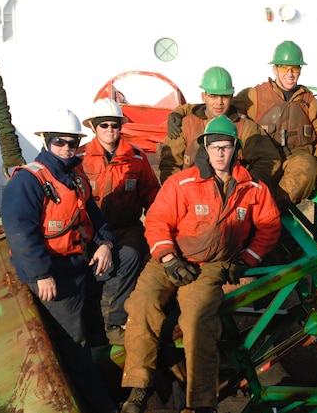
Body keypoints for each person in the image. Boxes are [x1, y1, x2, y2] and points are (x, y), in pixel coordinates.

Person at [120, 115, 281, 413]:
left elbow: (269, 226)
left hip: (210, 267)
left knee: (199, 324)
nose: (220, 153)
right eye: (214, 146)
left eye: (226, 146)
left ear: (236, 149)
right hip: (169, 261)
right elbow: (156, 221)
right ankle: (138, 389)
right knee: (142, 305)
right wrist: (168, 259)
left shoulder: (253, 188)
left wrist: (247, 260)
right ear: (205, 148)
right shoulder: (182, 183)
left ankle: (202, 404)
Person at [1, 108, 140, 413]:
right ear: (46, 141)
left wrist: (105, 243)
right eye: (59, 142)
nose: (66, 148)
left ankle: (109, 322)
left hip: (81, 265)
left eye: (71, 142)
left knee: (128, 258)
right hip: (55, 278)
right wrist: (41, 275)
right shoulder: (28, 182)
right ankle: (98, 406)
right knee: (74, 347)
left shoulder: (74, 177)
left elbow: (95, 215)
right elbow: (20, 232)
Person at [75, 98, 160, 344]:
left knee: (131, 256)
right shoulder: (79, 160)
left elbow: (152, 197)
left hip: (127, 228)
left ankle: (113, 319)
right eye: (104, 125)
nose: (110, 130)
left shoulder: (137, 158)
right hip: (92, 231)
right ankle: (94, 323)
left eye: (114, 125)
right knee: (95, 269)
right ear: (93, 127)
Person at [232, 41, 317, 210]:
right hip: (263, 161)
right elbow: (220, 107)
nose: (290, 74)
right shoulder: (254, 95)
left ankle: (269, 212)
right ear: (274, 69)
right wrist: (184, 112)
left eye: (295, 69)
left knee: (309, 167)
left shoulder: (312, 104)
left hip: (296, 162)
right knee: (244, 187)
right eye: (284, 68)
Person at [159, 66, 282, 188]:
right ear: (203, 96)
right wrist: (178, 193)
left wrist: (244, 187)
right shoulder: (186, 124)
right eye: (213, 96)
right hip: (192, 198)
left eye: (225, 96)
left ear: (232, 97)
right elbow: (169, 165)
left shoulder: (245, 127)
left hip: (232, 200)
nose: (219, 102)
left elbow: (270, 161)